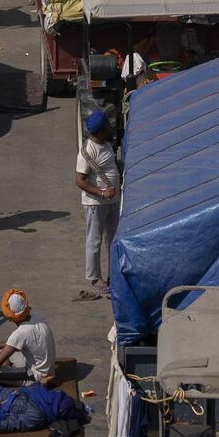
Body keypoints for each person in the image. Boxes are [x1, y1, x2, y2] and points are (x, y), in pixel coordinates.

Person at [74, 111, 120, 301]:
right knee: (94, 241)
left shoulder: (106, 144)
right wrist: (101, 192)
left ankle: (113, 276)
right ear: (100, 131)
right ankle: (95, 279)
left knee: (113, 240)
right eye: (107, 126)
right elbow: (79, 181)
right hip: (96, 204)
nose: (111, 128)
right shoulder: (86, 152)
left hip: (113, 202)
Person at [0, 290, 57, 385]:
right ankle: (41, 376)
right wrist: (0, 345)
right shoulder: (35, 316)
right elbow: (22, 342)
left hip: (34, 375)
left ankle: (39, 382)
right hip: (48, 368)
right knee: (2, 351)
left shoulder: (20, 333)